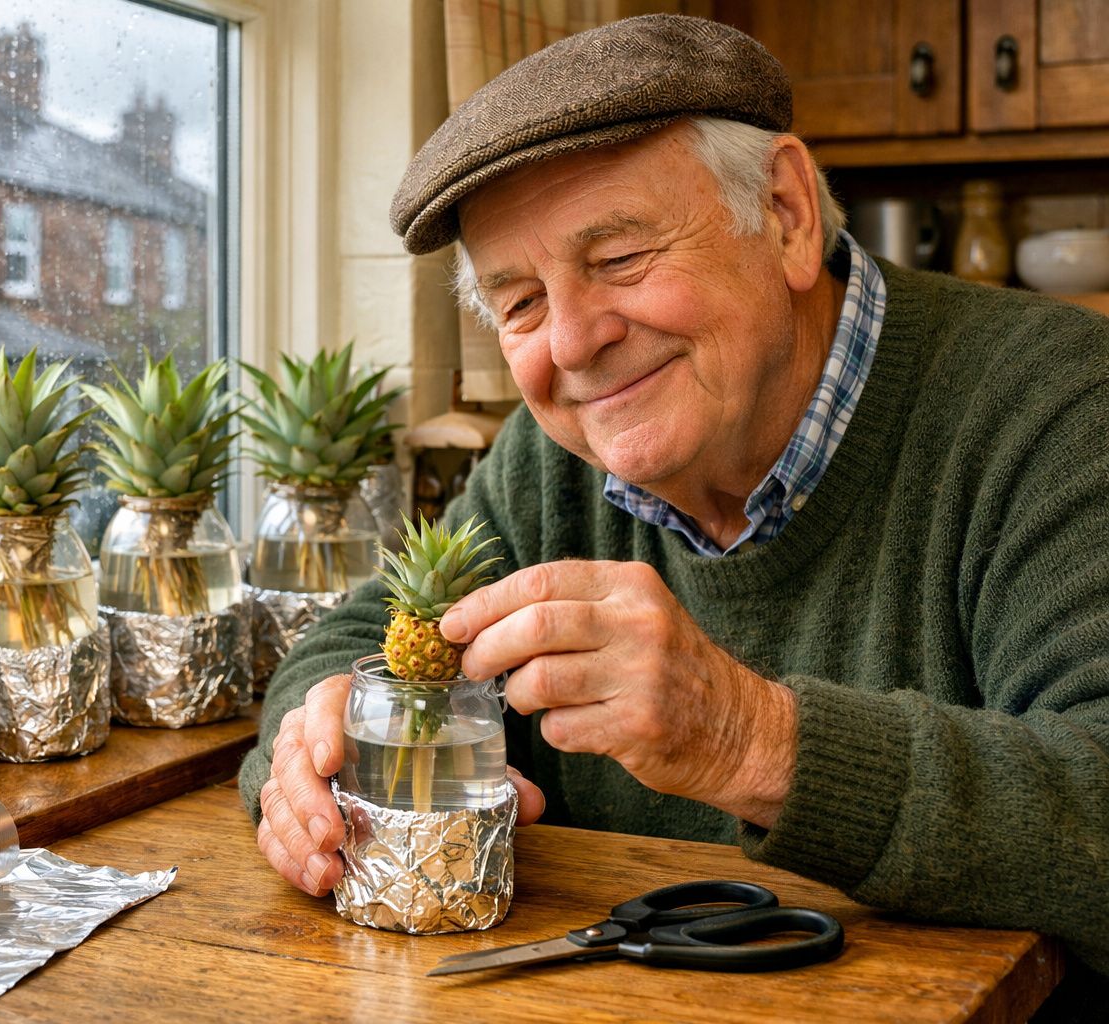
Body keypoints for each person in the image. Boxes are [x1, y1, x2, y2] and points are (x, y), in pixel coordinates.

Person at [239, 14, 1109, 1016]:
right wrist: (308, 757)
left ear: (783, 213)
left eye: (617, 259)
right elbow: (355, 638)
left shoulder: (1060, 404)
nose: (571, 342)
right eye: (518, 302)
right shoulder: (551, 456)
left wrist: (750, 739)